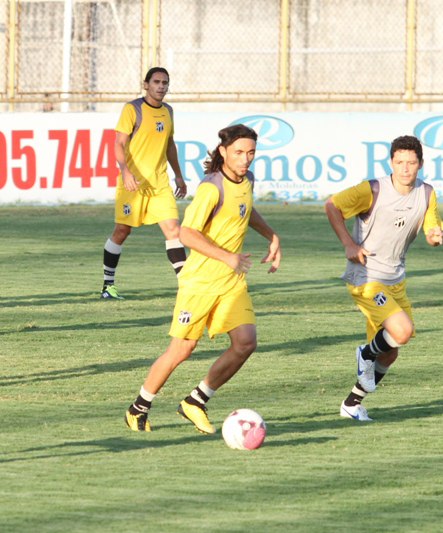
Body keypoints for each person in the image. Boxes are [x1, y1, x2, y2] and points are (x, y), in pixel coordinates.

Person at [124, 124, 281, 433]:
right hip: (201, 283)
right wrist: (227, 256)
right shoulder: (212, 188)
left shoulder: (246, 180)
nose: (245, 159)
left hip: (231, 283)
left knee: (246, 343)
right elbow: (186, 233)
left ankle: (195, 401)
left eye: (250, 153)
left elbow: (244, 210)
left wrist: (271, 235)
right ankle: (138, 407)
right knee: (182, 349)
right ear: (223, 152)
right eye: (238, 153)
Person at [325, 135, 443, 421]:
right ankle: (364, 355)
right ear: (391, 162)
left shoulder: (427, 193)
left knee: (390, 352)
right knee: (400, 331)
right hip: (365, 277)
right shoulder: (373, 189)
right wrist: (349, 245)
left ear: (421, 164)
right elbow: (332, 205)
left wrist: (434, 235)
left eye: (411, 163)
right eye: (399, 162)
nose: (405, 169)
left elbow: (431, 228)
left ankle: (352, 404)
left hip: (395, 280)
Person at [100, 67, 187, 299]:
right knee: (122, 231)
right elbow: (119, 143)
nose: (161, 86)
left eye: (165, 83)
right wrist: (125, 171)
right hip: (133, 184)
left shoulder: (168, 111)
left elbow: (170, 144)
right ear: (145, 84)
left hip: (159, 185)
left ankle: (187, 287)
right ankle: (108, 286)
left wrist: (178, 174)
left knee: (174, 231)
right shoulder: (133, 109)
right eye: (156, 82)